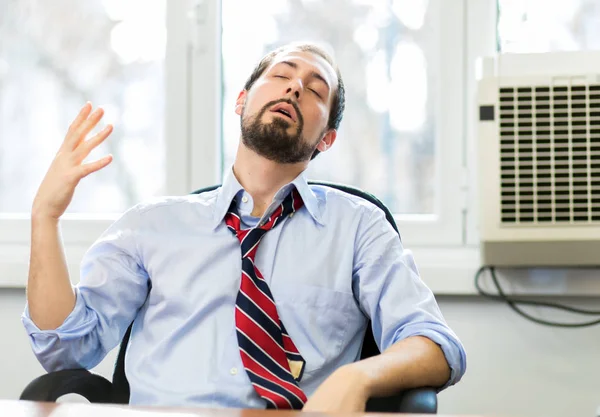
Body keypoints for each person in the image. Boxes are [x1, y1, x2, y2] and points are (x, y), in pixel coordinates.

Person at [23, 42, 466, 412]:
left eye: (315, 90)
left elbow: (435, 344)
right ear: (241, 101)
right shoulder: (150, 225)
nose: (295, 86)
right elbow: (66, 349)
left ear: (326, 139)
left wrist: (359, 377)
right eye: (281, 75)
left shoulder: (358, 228)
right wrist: (45, 218)